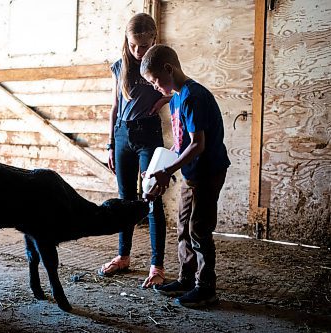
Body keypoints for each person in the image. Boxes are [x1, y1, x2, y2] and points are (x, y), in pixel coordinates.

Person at [139, 45, 230, 307]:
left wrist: (168, 171)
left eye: (155, 81)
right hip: (191, 173)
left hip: (208, 171)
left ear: (168, 69)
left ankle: (206, 287)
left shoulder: (193, 96)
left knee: (199, 229)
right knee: (183, 226)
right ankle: (186, 278)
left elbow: (197, 144)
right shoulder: (177, 98)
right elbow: (181, 143)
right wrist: (161, 163)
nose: (155, 87)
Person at [97, 13, 170, 289]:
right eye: (133, 46)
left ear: (154, 38)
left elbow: (178, 87)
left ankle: (157, 265)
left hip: (148, 134)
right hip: (122, 134)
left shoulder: (160, 64)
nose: (138, 52)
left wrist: (164, 99)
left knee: (152, 199)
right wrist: (110, 145)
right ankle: (123, 256)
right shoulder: (120, 67)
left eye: (144, 45)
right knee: (125, 199)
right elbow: (114, 107)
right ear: (126, 42)